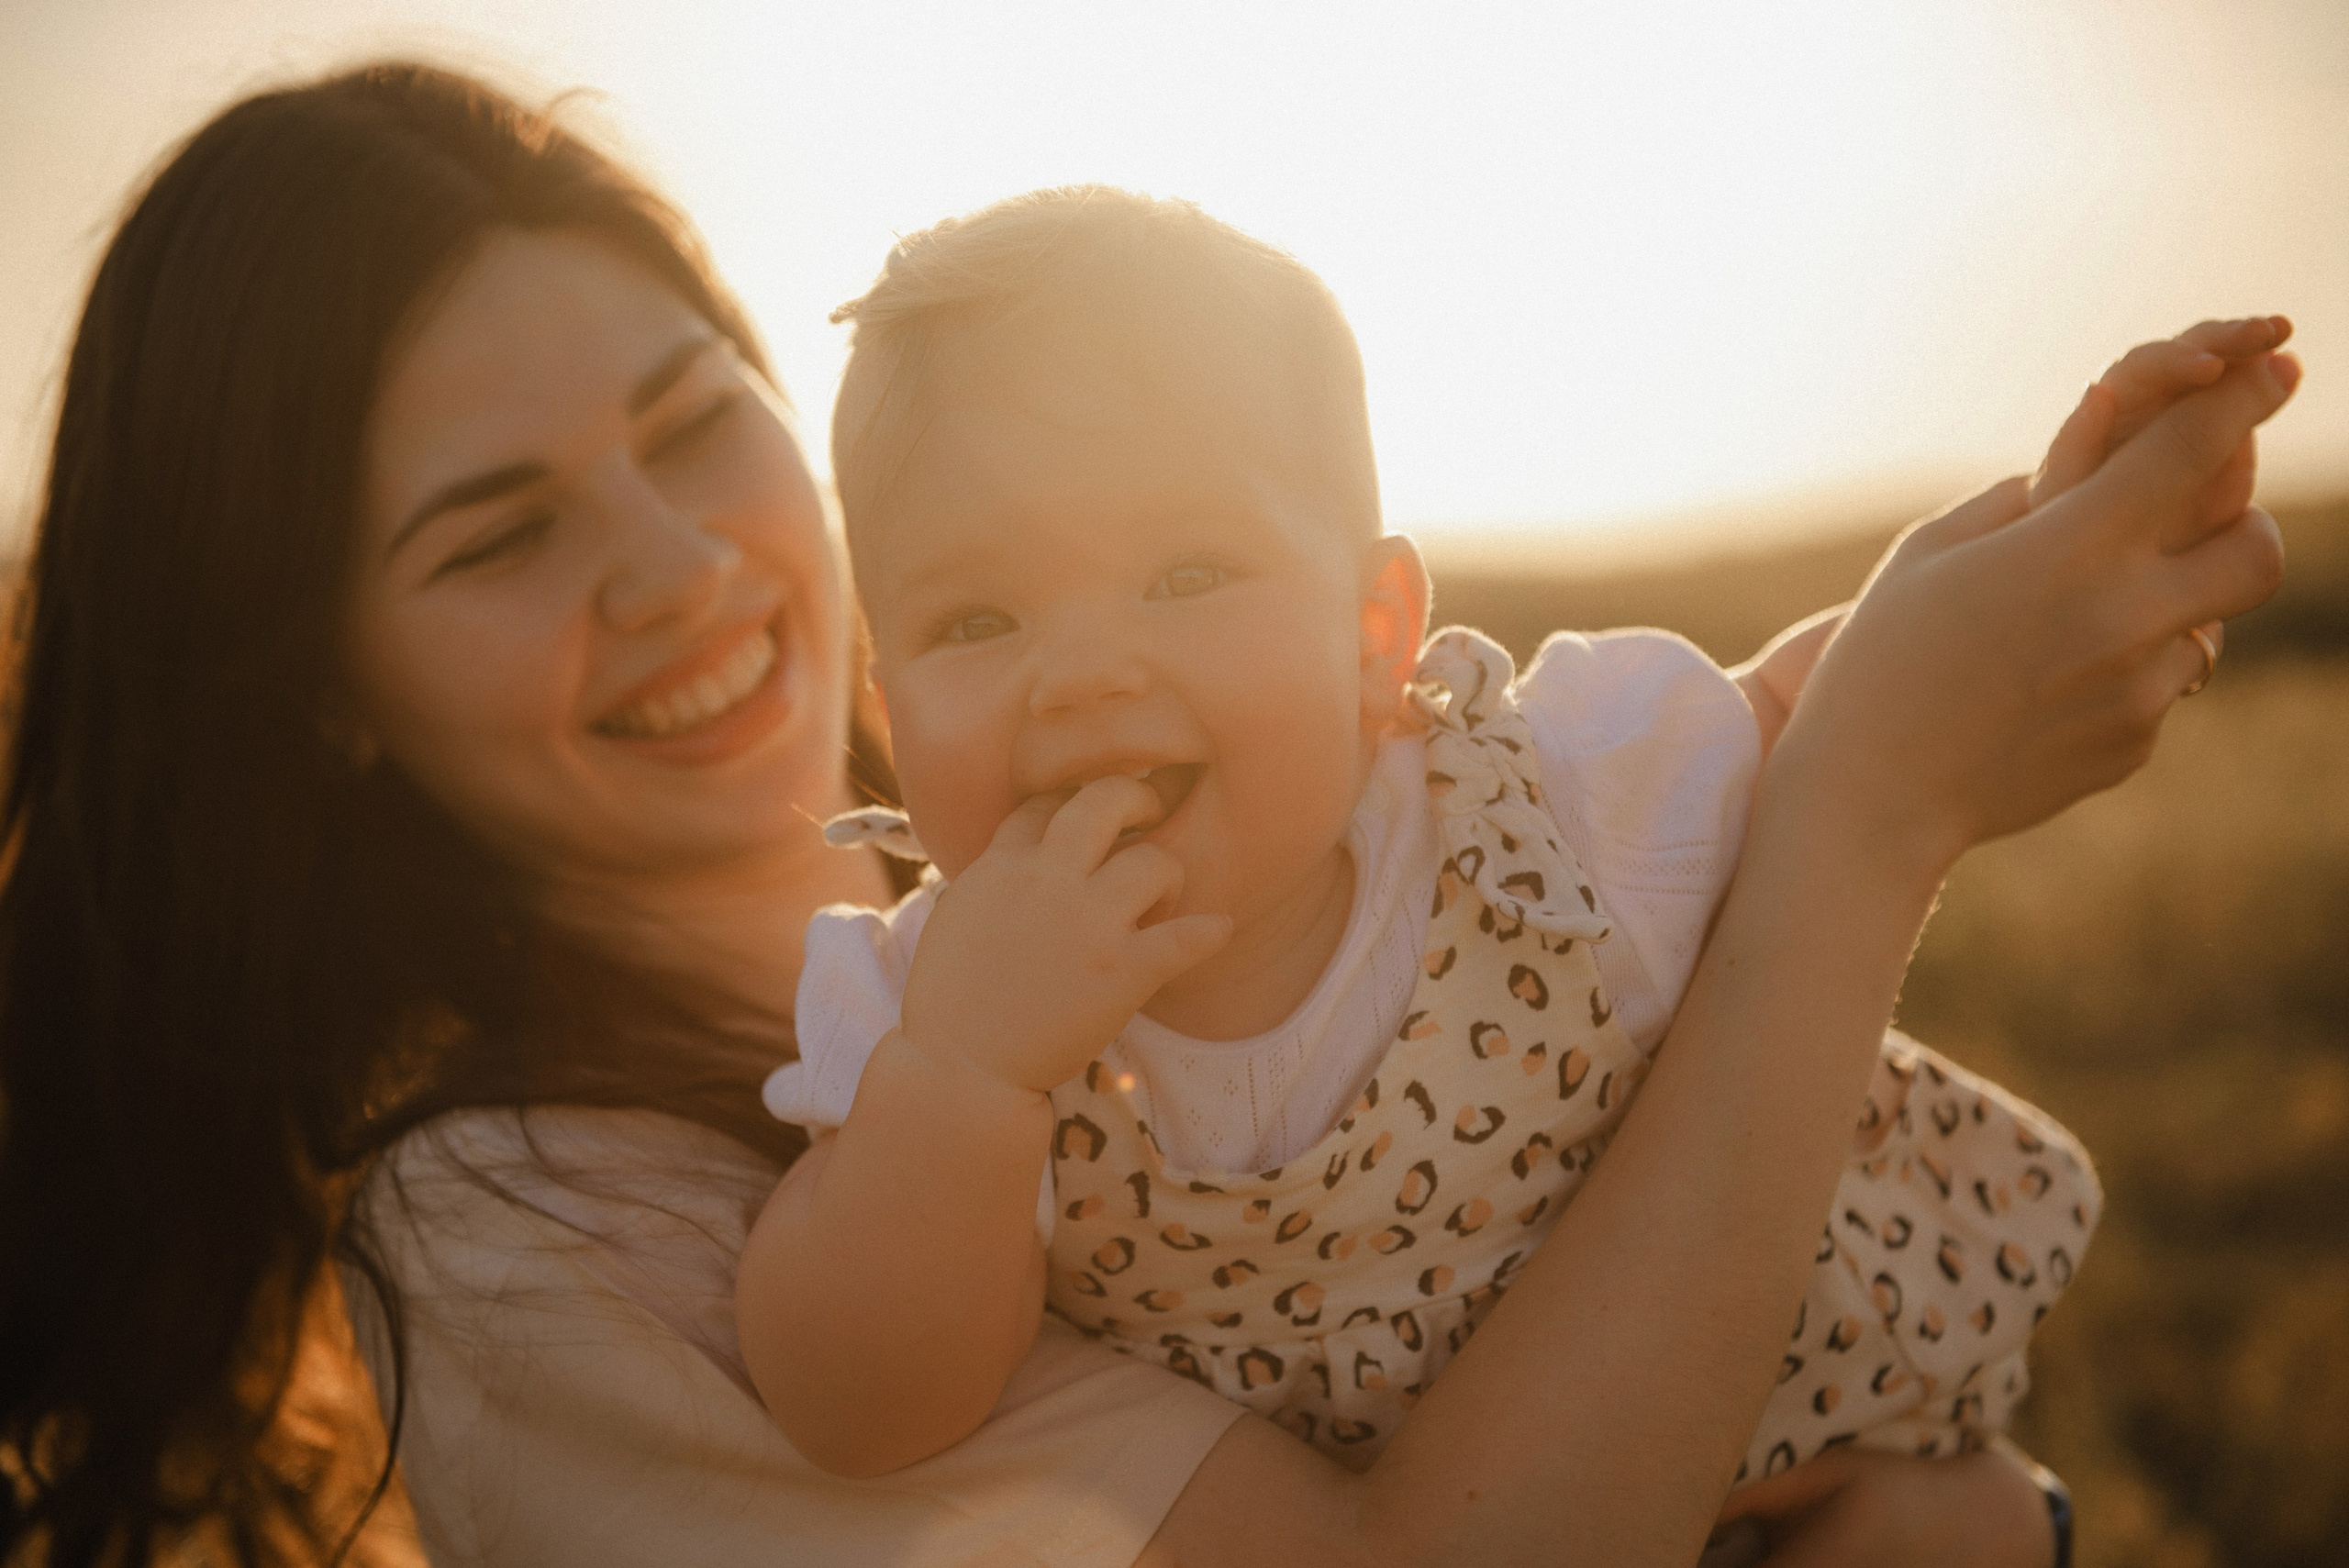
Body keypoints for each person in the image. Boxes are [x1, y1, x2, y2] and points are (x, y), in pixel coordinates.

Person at [0, 61, 2287, 1568]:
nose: (683, 570)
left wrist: (2021, 572)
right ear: (315, 683)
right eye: (496, 534)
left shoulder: (1341, 811)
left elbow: (1778, 729)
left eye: (696, 426)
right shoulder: (534, 1218)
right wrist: (966, 1081)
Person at [739, 183, 2289, 1497]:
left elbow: (1823, 703)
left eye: (1186, 572)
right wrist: (963, 1080)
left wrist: (2074, 525)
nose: (1079, 673)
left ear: (1372, 635)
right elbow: (861, 1406)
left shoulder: (1541, 799)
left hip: (1796, 1456)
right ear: (889, 702)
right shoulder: (914, 1015)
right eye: (979, 616)